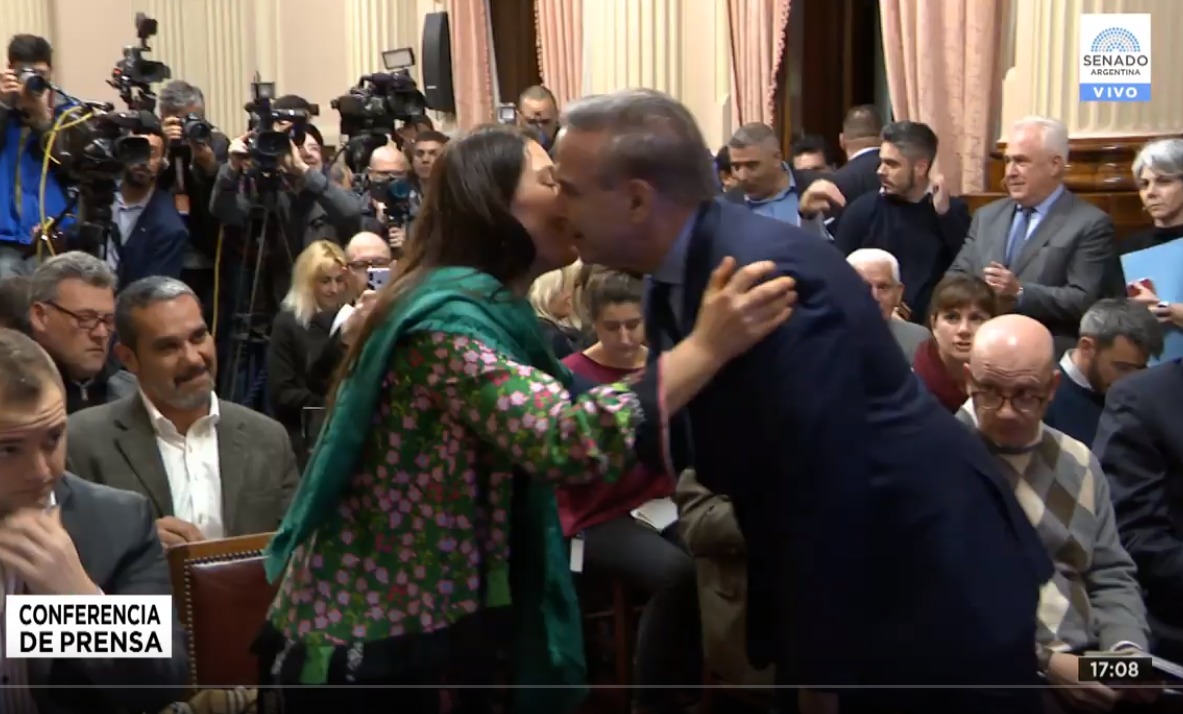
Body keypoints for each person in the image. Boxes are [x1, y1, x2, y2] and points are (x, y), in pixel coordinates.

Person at [255, 125, 796, 714]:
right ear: (500, 209)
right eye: (551, 180)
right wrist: (706, 346)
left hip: (438, 627)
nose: (568, 194)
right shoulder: (446, 324)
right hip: (377, 648)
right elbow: (566, 439)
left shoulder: (484, 308)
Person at [554, 89, 1052, 714]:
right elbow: (696, 442)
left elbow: (824, 479)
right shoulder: (674, 278)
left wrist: (820, 667)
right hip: (856, 573)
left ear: (635, 200)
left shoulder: (765, 277)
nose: (557, 204)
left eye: (567, 188)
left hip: (923, 574)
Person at [956, 315, 1157, 714]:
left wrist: (1126, 655)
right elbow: (944, 600)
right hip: (998, 672)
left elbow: (1110, 574)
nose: (1007, 411)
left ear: (1052, 388)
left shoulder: (1079, 461)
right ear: (968, 380)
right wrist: (1045, 662)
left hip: (1089, 655)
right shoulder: (940, 458)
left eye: (1026, 394)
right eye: (990, 392)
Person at [0, 327, 187, 712]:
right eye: (8, 450)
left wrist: (77, 604)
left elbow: (160, 688)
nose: (40, 471)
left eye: (53, 438)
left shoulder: (119, 522)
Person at [557, 270, 700, 713]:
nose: (623, 337)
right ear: (592, 323)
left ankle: (699, 676)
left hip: (661, 500)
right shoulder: (570, 375)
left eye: (633, 325)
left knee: (716, 556)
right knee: (675, 572)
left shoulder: (662, 365)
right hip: (595, 514)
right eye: (611, 327)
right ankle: (651, 699)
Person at [66, 277, 299, 545]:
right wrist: (135, 548)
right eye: (168, 347)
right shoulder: (82, 442)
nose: (192, 358)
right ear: (129, 359)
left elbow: (294, 554)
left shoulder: (269, 438)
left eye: (198, 337)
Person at [945, 116, 1123, 354]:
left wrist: (1020, 292)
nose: (1010, 172)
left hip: (1046, 349)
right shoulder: (986, 216)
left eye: (1021, 161)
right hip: (980, 345)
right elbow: (956, 277)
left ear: (1055, 164)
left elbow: (1084, 300)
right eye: (1007, 161)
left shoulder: (1090, 224)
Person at [267, 240, 348, 458]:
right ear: (308, 282)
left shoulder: (351, 319)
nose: (334, 289)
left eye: (339, 280)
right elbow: (281, 393)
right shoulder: (287, 323)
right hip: (303, 436)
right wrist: (329, 403)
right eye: (325, 281)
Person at [1043, 298, 1162, 445]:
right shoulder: (1044, 401)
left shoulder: (1143, 397)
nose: (1132, 380)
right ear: (1087, 347)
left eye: (1141, 368)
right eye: (1123, 368)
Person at [912, 274, 1001, 411]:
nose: (963, 330)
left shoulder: (1005, 381)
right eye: (952, 317)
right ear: (934, 324)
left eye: (976, 318)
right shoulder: (911, 387)